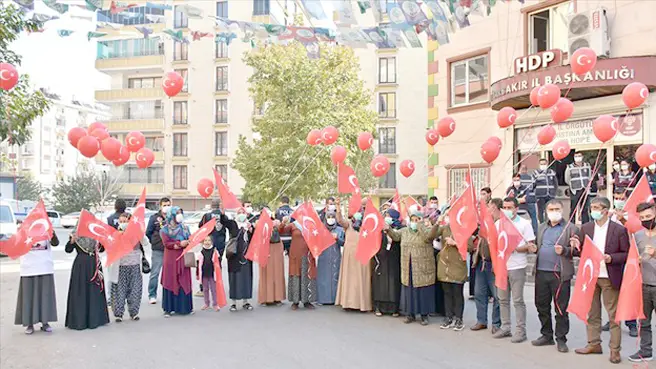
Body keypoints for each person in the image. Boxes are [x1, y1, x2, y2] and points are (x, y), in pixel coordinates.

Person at [573, 197, 630, 364]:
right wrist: (575, 245)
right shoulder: (586, 228)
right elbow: (580, 251)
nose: (594, 211)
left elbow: (626, 254)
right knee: (592, 313)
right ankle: (593, 343)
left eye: (597, 207)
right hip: (590, 277)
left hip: (609, 276)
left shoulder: (618, 230)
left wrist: (611, 258)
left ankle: (615, 350)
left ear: (606, 210)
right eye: (592, 207)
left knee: (613, 315)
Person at [529, 199, 578, 353]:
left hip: (560, 274)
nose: (554, 212)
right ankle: (546, 334)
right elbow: (538, 245)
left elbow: (578, 250)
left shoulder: (571, 228)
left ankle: (561, 339)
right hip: (541, 272)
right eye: (551, 209)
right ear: (546, 211)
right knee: (541, 305)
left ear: (562, 210)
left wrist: (565, 250)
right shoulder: (542, 227)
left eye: (557, 209)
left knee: (561, 308)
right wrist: (534, 248)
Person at [385, 209, 439, 325]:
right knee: (409, 292)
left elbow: (429, 237)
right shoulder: (405, 231)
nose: (414, 222)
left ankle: (424, 315)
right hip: (408, 267)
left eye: (417, 219)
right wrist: (388, 229)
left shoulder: (426, 231)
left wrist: (420, 226)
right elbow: (395, 236)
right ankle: (410, 314)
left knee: (423, 291)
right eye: (413, 220)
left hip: (422, 268)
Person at [494, 197, 536, 343]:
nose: (507, 210)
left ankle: (520, 331)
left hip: (517, 266)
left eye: (509, 207)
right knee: (503, 299)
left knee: (517, 300)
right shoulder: (498, 223)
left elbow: (531, 246)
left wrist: (515, 248)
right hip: (501, 266)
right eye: (504, 207)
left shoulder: (524, 224)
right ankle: (505, 327)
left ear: (516, 209)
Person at [15, 232, 60, 334]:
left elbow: (55, 243)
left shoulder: (46, 228)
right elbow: (17, 246)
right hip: (28, 267)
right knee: (28, 297)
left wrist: (52, 234)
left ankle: (45, 322)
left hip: (44, 266)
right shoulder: (24, 229)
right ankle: (29, 324)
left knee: (45, 296)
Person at [65, 231, 109, 330]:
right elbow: (68, 250)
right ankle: (79, 320)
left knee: (95, 291)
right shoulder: (75, 234)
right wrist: (72, 241)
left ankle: (96, 319)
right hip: (81, 265)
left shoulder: (96, 233)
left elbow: (102, 250)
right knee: (80, 292)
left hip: (94, 263)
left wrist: (101, 240)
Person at [629, 202, 656, 362]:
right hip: (643, 286)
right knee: (644, 322)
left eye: (649, 217)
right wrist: (635, 260)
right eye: (643, 218)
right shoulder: (638, 236)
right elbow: (632, 259)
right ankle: (645, 351)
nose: (646, 220)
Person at [470, 198, 502, 334]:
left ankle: (496, 323)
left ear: (495, 207)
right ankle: (481, 320)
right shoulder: (484, 223)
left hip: (494, 264)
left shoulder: (500, 224)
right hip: (481, 263)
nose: (487, 209)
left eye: (489, 207)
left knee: (497, 296)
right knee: (479, 293)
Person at [335, 198, 372, 312]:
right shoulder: (349, 224)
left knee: (361, 279)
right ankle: (348, 303)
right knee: (349, 279)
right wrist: (338, 207)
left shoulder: (367, 224)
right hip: (349, 255)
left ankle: (362, 304)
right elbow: (340, 220)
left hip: (362, 255)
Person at [160, 206, 193, 317]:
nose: (179, 215)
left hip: (183, 257)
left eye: (180, 212)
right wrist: (179, 244)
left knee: (183, 280)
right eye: (177, 213)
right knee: (170, 280)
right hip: (170, 259)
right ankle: (169, 308)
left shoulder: (185, 228)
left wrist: (188, 241)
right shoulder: (164, 229)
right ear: (171, 215)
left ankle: (184, 308)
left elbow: (190, 238)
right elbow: (166, 243)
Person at [113, 213, 147, 322]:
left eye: (125, 222)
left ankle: (134, 312)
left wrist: (139, 232)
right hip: (120, 266)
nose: (123, 224)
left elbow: (146, 242)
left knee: (135, 290)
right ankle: (118, 313)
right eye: (121, 222)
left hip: (135, 265)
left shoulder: (136, 233)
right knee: (119, 290)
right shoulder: (116, 233)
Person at [435, 216, 467, 330]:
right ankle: (448, 317)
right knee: (447, 294)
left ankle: (459, 319)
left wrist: (455, 243)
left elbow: (470, 247)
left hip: (458, 267)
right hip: (445, 267)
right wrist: (437, 224)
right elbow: (430, 236)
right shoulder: (444, 228)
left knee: (457, 294)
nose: (449, 217)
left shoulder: (464, 228)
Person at [222, 206, 255, 312]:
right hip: (234, 256)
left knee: (246, 278)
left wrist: (251, 230)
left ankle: (246, 301)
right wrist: (222, 214)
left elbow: (254, 239)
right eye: (239, 212)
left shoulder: (249, 225)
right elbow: (225, 222)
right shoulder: (233, 224)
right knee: (234, 278)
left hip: (246, 255)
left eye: (243, 212)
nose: (241, 214)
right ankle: (233, 303)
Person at [372, 208, 403, 317]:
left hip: (394, 259)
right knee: (381, 284)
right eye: (386, 215)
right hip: (381, 259)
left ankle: (394, 308)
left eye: (389, 215)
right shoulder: (379, 228)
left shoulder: (400, 228)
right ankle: (379, 307)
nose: (387, 217)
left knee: (393, 283)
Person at [285, 216, 317, 310]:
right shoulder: (293, 225)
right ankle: (295, 301)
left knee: (307, 276)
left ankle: (307, 301)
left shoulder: (311, 224)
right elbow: (281, 230)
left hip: (307, 254)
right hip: (295, 255)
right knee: (296, 276)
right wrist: (283, 223)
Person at [257, 210, 286, 306]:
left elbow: (281, 229)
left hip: (276, 247)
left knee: (277, 272)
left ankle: (278, 298)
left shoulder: (276, 222)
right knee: (266, 273)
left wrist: (281, 223)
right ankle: (265, 298)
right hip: (265, 247)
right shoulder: (259, 223)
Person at [146, 197, 171, 304]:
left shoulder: (172, 217)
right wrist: (154, 241)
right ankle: (152, 294)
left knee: (170, 273)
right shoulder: (154, 218)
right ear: (160, 206)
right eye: (164, 205)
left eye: (168, 205)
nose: (166, 207)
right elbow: (148, 232)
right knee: (155, 273)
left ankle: (170, 294)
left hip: (170, 249)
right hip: (158, 249)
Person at [317, 211, 345, 305]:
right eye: (328, 216)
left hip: (335, 256)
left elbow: (344, 243)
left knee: (335, 277)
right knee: (323, 277)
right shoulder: (321, 229)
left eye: (332, 216)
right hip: (323, 256)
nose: (330, 218)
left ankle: (335, 299)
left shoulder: (340, 230)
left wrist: (338, 239)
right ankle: (322, 299)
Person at [106, 198, 127, 306]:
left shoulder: (110, 219)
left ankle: (110, 297)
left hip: (113, 249)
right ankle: (126, 297)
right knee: (125, 275)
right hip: (125, 249)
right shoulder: (128, 218)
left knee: (112, 274)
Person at [565, 151, 592, 224]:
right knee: (573, 209)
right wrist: (573, 185)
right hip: (575, 191)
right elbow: (567, 179)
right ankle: (571, 225)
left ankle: (585, 225)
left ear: (582, 157)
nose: (578, 158)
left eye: (579, 156)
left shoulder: (587, 165)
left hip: (585, 190)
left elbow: (589, 177)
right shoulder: (570, 167)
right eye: (576, 156)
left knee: (585, 209)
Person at [197, 236, 220, 311]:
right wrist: (198, 275)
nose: (207, 242)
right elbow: (198, 264)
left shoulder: (214, 251)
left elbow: (218, 261)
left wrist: (216, 253)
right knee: (205, 289)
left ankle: (215, 304)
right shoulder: (201, 252)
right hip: (204, 274)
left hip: (212, 274)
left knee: (213, 289)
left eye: (209, 240)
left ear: (212, 242)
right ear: (203, 242)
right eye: (205, 240)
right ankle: (206, 304)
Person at [532, 158, 558, 223]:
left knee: (550, 210)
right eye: (541, 164)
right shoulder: (536, 173)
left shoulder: (551, 172)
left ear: (547, 164)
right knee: (541, 211)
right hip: (540, 195)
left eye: (544, 164)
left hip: (550, 195)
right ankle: (542, 224)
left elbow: (555, 183)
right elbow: (532, 185)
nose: (543, 165)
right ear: (539, 165)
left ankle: (549, 222)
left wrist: (554, 192)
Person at [519, 165, 539, 234]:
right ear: (526, 170)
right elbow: (534, 186)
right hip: (531, 199)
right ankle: (535, 232)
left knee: (520, 218)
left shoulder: (518, 178)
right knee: (533, 217)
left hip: (522, 201)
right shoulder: (531, 177)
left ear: (520, 170)